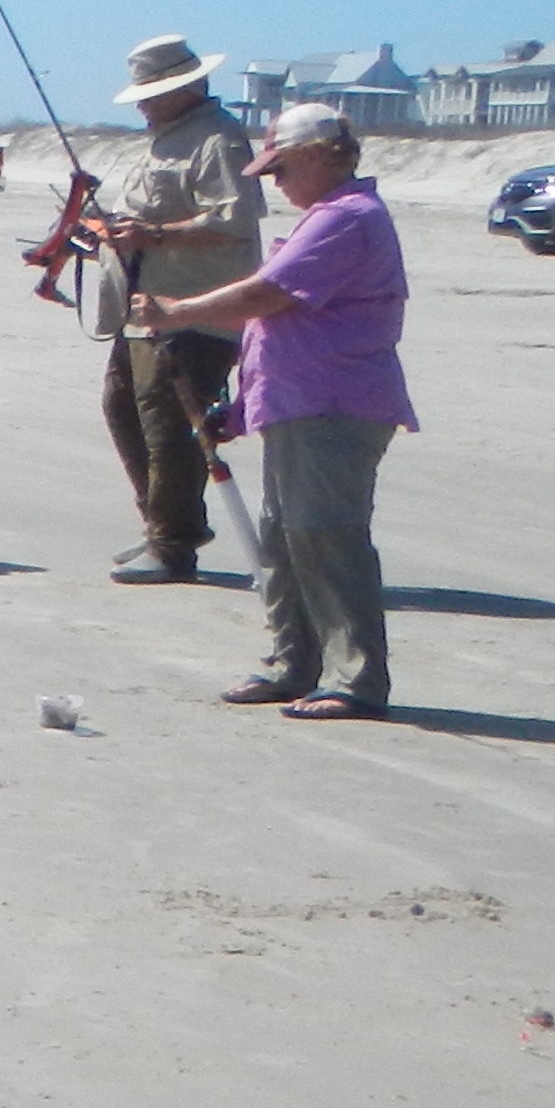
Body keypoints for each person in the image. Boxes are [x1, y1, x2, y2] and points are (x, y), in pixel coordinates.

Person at [132, 100, 408, 720]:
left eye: (280, 168)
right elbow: (271, 316)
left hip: (335, 404)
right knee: (283, 539)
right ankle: (295, 664)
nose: (274, 181)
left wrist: (178, 311)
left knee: (326, 536)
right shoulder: (324, 218)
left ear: (318, 157)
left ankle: (356, 680)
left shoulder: (347, 218)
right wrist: (238, 407)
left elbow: (267, 294)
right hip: (296, 402)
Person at [90, 36, 265, 584]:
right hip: (142, 308)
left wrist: (155, 234)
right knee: (124, 408)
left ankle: (173, 544)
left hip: (193, 310)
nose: (143, 103)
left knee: (171, 423)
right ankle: (161, 525)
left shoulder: (218, 140)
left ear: (187, 87)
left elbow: (233, 220)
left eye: (152, 93)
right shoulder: (161, 139)